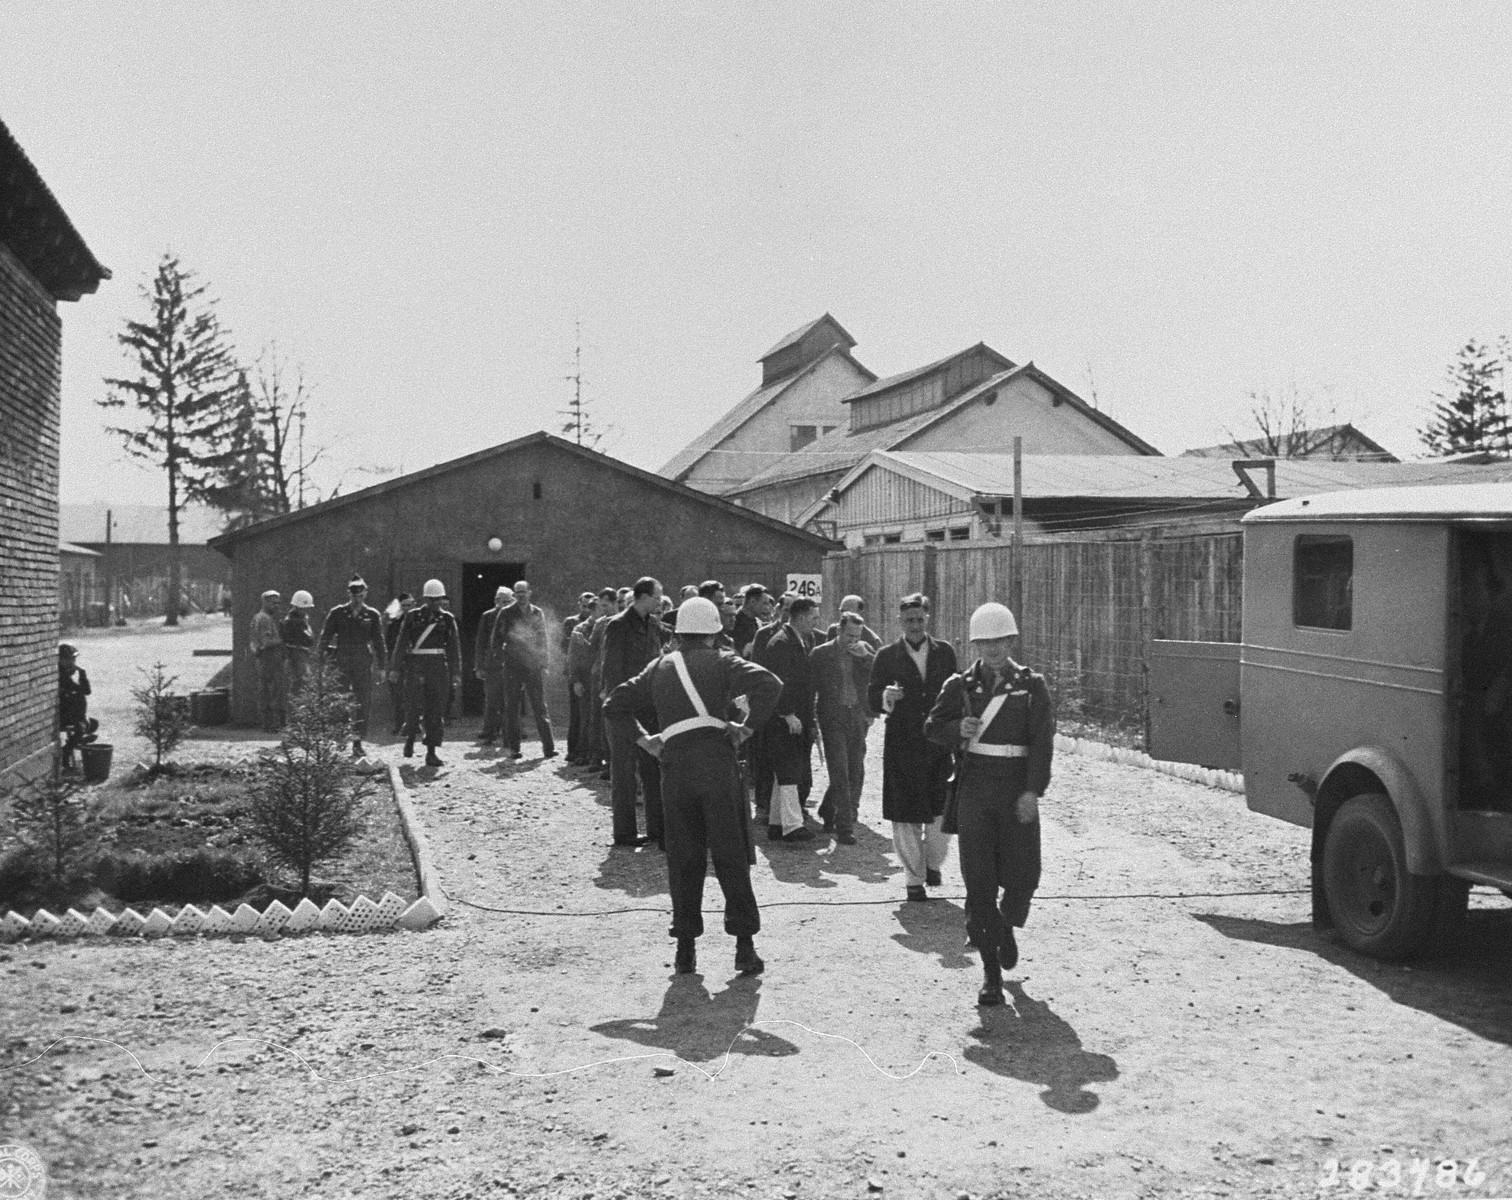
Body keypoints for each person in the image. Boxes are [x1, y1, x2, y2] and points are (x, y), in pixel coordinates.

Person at [604, 596, 782, 976]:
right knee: (731, 854)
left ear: (680, 633)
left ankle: (686, 950)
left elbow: (614, 705)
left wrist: (646, 741)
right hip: (717, 765)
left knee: (684, 858)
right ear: (715, 632)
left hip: (676, 769)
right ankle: (744, 947)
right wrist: (747, 727)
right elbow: (769, 683)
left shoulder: (658, 666)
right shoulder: (723, 660)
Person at [925, 602, 1055, 1006]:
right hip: (976, 792)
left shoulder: (1032, 687)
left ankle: (1007, 925)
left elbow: (1042, 744)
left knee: (1023, 877)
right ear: (975, 644)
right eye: (985, 642)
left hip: (1016, 792)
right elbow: (931, 727)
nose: (993, 649)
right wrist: (954, 729)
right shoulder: (959, 686)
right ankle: (990, 973)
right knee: (979, 882)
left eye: (1000, 641)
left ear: (1012, 640)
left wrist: (1033, 791)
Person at [867, 592, 958, 901]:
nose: (915, 625)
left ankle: (932, 863)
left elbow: (957, 696)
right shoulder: (886, 656)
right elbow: (871, 696)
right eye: (909, 620)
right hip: (902, 746)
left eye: (920, 619)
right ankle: (913, 880)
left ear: (927, 619)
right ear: (900, 622)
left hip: (937, 746)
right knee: (906, 815)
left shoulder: (945, 653)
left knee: (939, 814)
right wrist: (885, 697)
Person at [602, 576, 666, 846]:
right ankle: (624, 832)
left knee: (653, 768)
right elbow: (612, 669)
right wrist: (619, 704)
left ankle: (657, 829)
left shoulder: (653, 624)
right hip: (625, 707)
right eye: (658, 595)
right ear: (643, 596)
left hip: (649, 706)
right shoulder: (617, 626)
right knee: (624, 771)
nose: (661, 600)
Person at [756, 596, 820, 842]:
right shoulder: (783, 643)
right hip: (785, 717)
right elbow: (777, 682)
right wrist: (787, 713)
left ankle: (776, 823)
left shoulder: (795, 640)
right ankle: (792, 825)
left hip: (794, 715)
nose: (816, 622)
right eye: (813, 617)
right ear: (802, 617)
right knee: (790, 769)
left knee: (784, 769)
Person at [810, 611, 877, 844]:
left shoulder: (864, 650)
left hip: (856, 715)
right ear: (839, 630)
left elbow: (878, 674)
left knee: (854, 768)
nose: (853, 640)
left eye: (857, 635)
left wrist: (866, 656)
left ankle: (828, 811)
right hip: (832, 717)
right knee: (840, 770)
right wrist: (812, 721)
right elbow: (810, 689)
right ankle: (844, 827)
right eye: (849, 635)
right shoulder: (822, 653)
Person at [388, 578, 462, 767]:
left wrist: (456, 672)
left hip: (438, 667)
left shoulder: (447, 619)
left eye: (438, 600)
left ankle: (431, 751)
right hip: (416, 665)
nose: (435, 603)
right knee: (413, 705)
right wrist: (395, 668)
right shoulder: (413, 617)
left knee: (435, 710)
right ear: (425, 599)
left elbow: (454, 647)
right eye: (431, 599)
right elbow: (401, 642)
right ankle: (411, 737)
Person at [319, 576, 387, 756]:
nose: (357, 599)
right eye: (354, 595)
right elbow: (325, 636)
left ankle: (357, 741)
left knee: (362, 702)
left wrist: (382, 667)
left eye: (361, 596)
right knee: (340, 700)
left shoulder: (372, 615)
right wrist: (321, 659)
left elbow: (379, 642)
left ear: (365, 594)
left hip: (363, 663)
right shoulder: (338, 613)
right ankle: (340, 740)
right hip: (341, 661)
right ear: (349, 594)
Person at [494, 579, 556, 760]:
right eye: (517, 592)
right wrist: (502, 659)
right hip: (512, 666)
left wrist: (544, 663)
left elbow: (543, 638)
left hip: (533, 665)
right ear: (514, 595)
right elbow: (496, 639)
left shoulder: (537, 612)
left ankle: (549, 748)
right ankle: (514, 748)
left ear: (529, 593)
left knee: (539, 707)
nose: (520, 595)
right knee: (512, 707)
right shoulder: (506, 613)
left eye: (523, 592)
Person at [474, 586, 512, 746]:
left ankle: (510, 734)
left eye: (508, 601)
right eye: (502, 601)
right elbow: (480, 643)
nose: (505, 604)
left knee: (510, 701)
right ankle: (489, 733)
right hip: (492, 665)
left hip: (511, 664)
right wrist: (479, 666)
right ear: (496, 601)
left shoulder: (514, 616)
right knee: (491, 701)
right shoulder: (487, 616)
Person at [249, 589, 285, 731]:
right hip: (268, 658)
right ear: (264, 602)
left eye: (278, 603)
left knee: (267, 690)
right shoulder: (264, 619)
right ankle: (271, 724)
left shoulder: (261, 617)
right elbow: (266, 641)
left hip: (266, 658)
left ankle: (269, 724)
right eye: (273, 603)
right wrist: (282, 639)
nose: (276, 606)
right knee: (271, 691)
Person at [57, 643, 97, 770]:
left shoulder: (67, 674)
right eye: (69, 659)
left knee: (92, 724)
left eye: (73, 659)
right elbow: (81, 690)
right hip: (62, 715)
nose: (72, 662)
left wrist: (82, 675)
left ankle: (79, 738)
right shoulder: (61, 675)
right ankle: (67, 751)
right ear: (61, 660)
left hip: (72, 713)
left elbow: (86, 691)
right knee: (81, 727)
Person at [383, 593, 416, 733]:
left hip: (415, 661)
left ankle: (414, 724)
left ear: (414, 605)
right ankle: (399, 724)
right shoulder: (395, 623)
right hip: (398, 662)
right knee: (397, 694)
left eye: (409, 605)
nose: (407, 608)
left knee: (415, 693)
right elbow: (389, 643)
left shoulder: (419, 621)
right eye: (404, 606)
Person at [280, 590, 317, 697]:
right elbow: (308, 639)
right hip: (296, 653)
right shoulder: (294, 621)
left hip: (299, 653)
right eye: (305, 609)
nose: (307, 611)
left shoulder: (300, 620)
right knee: (303, 682)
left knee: (302, 682)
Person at [731, 585, 768, 658]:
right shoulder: (734, 622)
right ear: (752, 602)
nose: (767, 607)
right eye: (764, 603)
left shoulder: (755, 621)